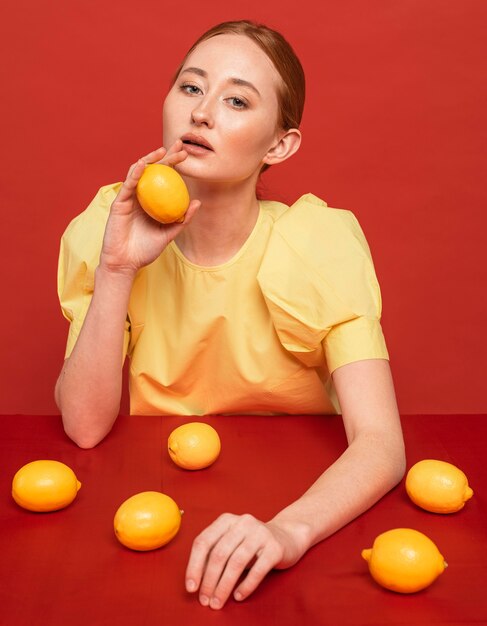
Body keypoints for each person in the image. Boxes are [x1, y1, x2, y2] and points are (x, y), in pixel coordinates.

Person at [55, 20, 405, 610]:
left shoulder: (320, 243)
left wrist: (288, 530)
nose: (202, 113)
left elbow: (380, 442)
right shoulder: (105, 228)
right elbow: (84, 427)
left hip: (299, 493)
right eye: (191, 88)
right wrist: (118, 269)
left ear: (278, 145)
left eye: (237, 100)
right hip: (146, 496)